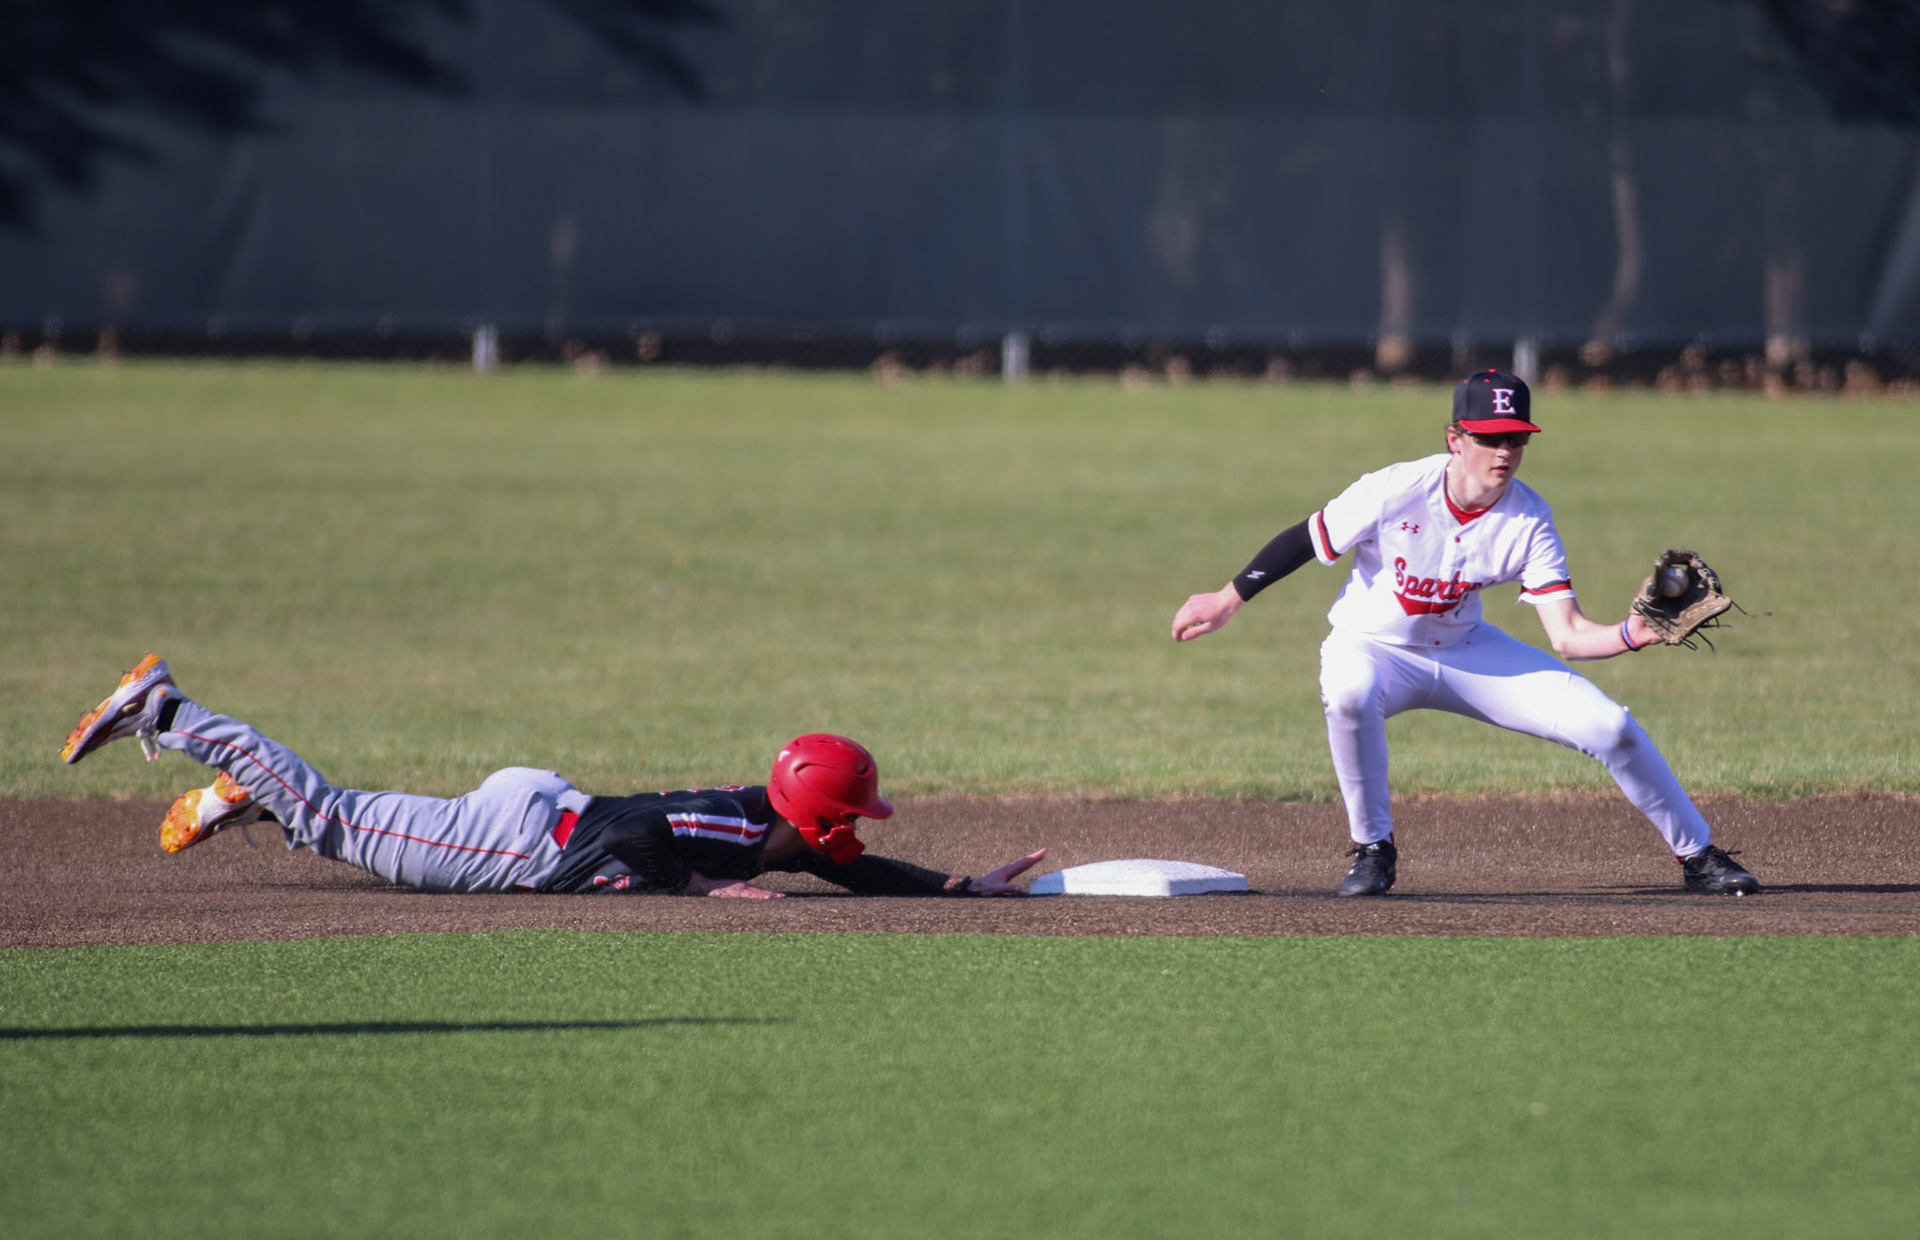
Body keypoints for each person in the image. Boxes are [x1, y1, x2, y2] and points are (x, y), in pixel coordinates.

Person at [1170, 371, 1758, 898]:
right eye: (1489, 437)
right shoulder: (1395, 488)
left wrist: (1636, 633)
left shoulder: (1529, 520)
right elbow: (1306, 537)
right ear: (1455, 438)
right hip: (1371, 647)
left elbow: (1571, 636)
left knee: (1611, 726)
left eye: (1516, 439)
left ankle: (1698, 855)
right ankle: (1374, 849)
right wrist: (1228, 598)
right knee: (1348, 693)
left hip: (1466, 652)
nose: (1504, 451)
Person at [60, 654, 1047, 898]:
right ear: (820, 814)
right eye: (852, 812)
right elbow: (631, 843)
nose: (856, 829)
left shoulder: (775, 817)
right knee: (328, 819)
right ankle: (172, 709)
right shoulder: (730, 834)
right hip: (520, 839)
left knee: (336, 815)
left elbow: (850, 869)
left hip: (538, 807)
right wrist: (704, 887)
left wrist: (962, 885)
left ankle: (240, 792)